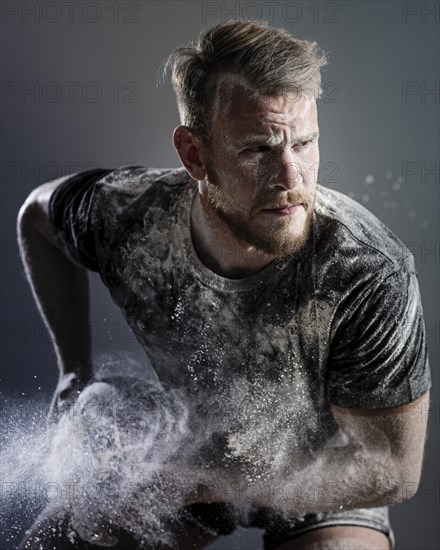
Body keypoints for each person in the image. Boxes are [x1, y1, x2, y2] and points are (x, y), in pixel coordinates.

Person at [17, 20, 431, 550]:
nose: (291, 178)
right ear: (194, 154)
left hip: (324, 485)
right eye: (258, 150)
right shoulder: (131, 216)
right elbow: (36, 217)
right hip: (194, 456)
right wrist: (72, 369)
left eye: (304, 143)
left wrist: (204, 482)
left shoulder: (366, 271)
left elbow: (393, 471)